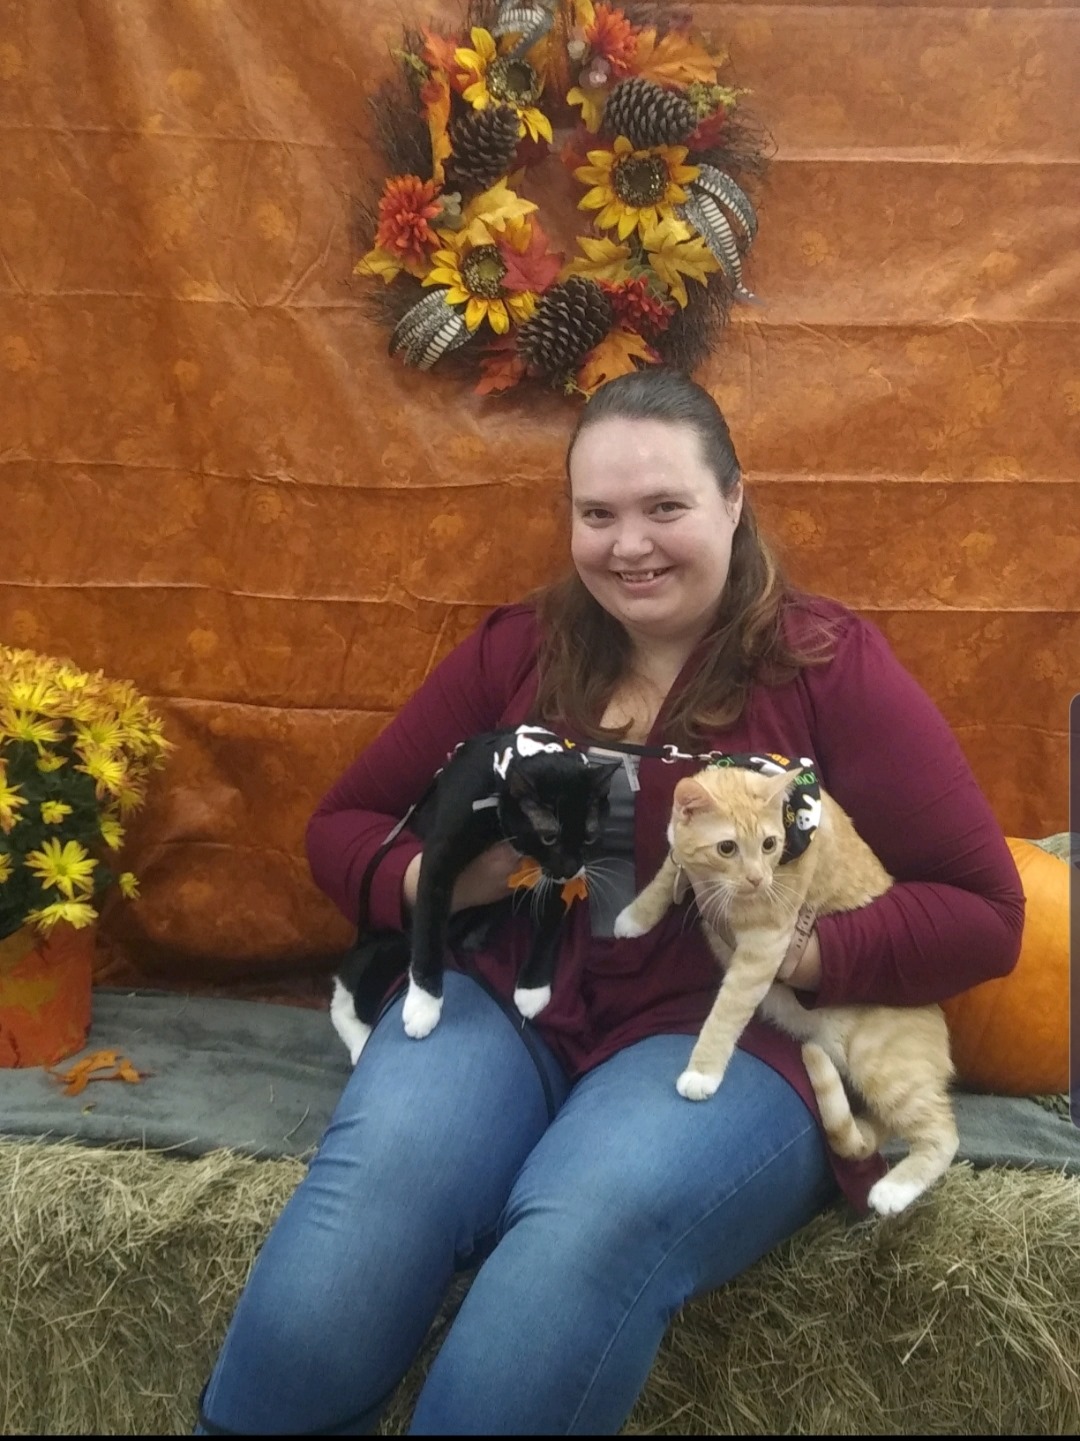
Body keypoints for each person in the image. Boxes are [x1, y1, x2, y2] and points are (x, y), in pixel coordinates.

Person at [196, 369, 1024, 1435]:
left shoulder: (824, 666)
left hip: (727, 1034)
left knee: (583, 1228)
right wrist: (443, 880)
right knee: (370, 1206)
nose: (630, 545)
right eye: (598, 515)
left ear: (734, 498)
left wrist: (800, 951)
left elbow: (985, 910)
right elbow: (342, 825)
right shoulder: (521, 650)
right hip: (512, 997)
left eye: (665, 506)